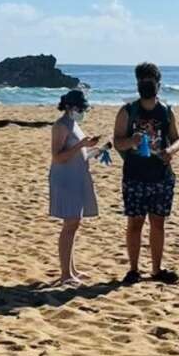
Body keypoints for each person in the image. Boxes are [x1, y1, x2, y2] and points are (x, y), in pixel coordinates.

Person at [112, 62, 179, 285]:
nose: (148, 85)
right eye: (144, 81)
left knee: (158, 223)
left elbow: (177, 138)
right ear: (138, 84)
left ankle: (156, 268)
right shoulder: (128, 111)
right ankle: (133, 269)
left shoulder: (166, 111)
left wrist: (170, 150)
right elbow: (117, 141)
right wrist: (130, 141)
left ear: (158, 84)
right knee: (135, 223)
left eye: (151, 81)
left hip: (161, 174)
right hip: (135, 174)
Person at [48, 89, 104, 285]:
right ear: (71, 107)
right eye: (81, 109)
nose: (83, 112)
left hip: (77, 176)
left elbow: (76, 153)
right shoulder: (61, 125)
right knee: (70, 223)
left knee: (74, 223)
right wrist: (81, 145)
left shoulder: (74, 124)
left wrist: (93, 150)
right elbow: (57, 156)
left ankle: (71, 269)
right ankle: (65, 274)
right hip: (65, 179)